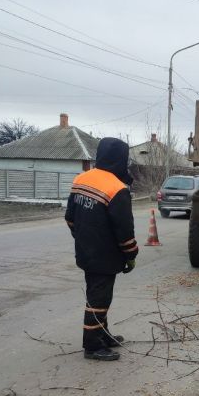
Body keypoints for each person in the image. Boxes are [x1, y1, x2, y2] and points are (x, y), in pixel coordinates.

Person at [65, 137, 139, 361]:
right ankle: (93, 346)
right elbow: (124, 231)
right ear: (121, 159)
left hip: (85, 251)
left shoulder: (81, 179)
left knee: (97, 295)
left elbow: (70, 218)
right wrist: (131, 255)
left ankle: (103, 335)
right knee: (99, 300)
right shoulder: (117, 188)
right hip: (106, 256)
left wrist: (82, 238)